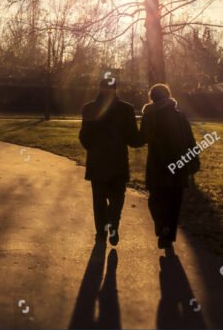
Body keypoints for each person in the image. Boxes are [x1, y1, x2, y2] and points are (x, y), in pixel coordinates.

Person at [79, 76, 143, 246]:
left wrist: (93, 149)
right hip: (118, 160)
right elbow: (133, 139)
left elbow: (84, 136)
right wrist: (147, 134)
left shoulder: (89, 108)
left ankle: (101, 233)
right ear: (116, 89)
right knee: (117, 197)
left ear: (99, 88)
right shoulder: (126, 109)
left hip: (97, 161)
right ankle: (113, 222)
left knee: (98, 200)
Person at [140, 84, 199, 249]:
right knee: (174, 202)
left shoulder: (149, 116)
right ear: (169, 96)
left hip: (157, 165)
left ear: (152, 98)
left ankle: (161, 226)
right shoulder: (180, 116)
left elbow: (141, 139)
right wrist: (194, 161)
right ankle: (169, 235)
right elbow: (190, 140)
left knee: (155, 200)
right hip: (179, 164)